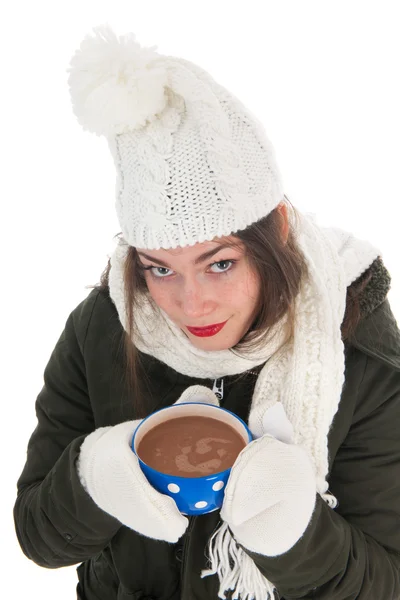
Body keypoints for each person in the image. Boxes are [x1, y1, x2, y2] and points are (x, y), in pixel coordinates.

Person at [13, 24, 400, 600]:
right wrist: (89, 481)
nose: (190, 305)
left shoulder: (358, 352)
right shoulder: (101, 329)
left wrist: (299, 535)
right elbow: (39, 540)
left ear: (279, 233)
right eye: (159, 268)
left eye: (220, 263)